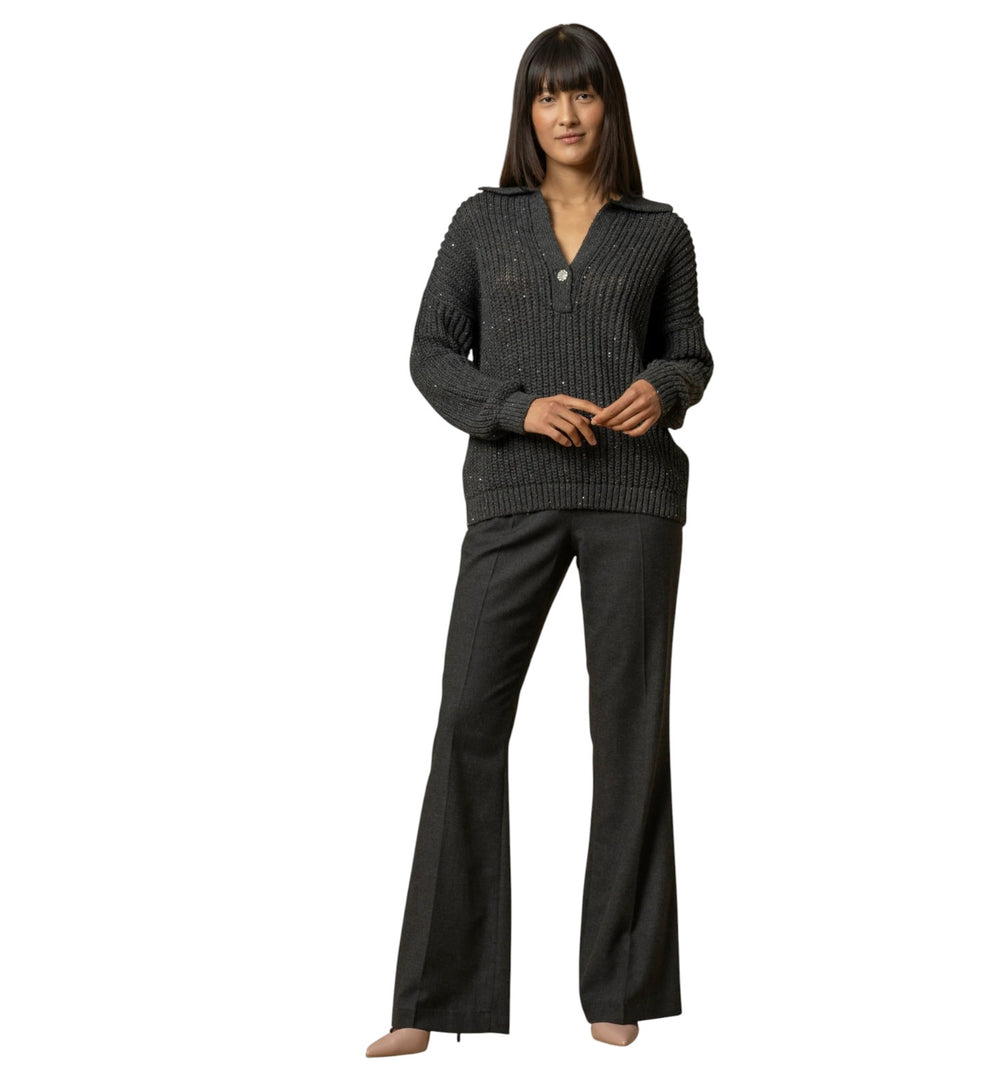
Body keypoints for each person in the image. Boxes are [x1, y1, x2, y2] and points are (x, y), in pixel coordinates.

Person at [366, 22, 713, 1057]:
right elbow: (431, 353)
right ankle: (432, 998)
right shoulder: (484, 222)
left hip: (633, 497)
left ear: (609, 106)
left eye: (584, 93)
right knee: (467, 720)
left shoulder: (659, 231)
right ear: (527, 110)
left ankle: (622, 985)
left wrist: (662, 389)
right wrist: (516, 408)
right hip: (513, 494)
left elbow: (690, 354)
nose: (566, 112)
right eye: (547, 95)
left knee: (630, 730)